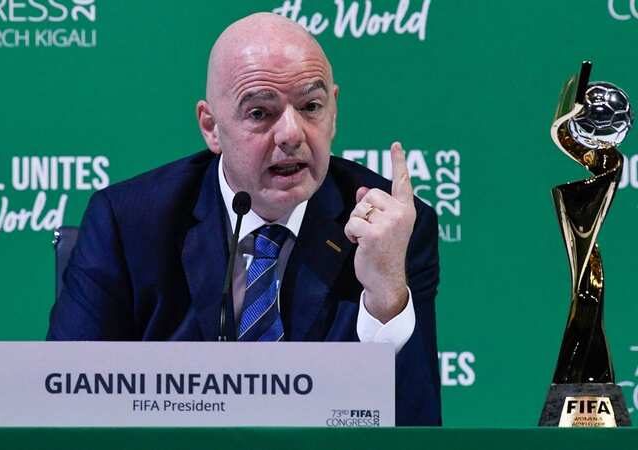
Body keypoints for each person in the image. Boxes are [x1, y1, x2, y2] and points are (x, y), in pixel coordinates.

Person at [47, 12, 440, 425]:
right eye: (259, 113)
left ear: (334, 111)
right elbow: (62, 404)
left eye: (311, 106)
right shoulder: (130, 224)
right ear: (211, 127)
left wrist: (386, 297)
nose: (292, 133)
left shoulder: (389, 229)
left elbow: (418, 428)